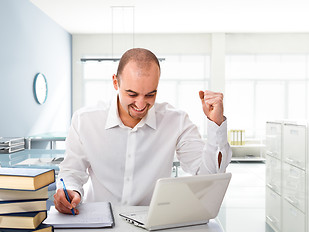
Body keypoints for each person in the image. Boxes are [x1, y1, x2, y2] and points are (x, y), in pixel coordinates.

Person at [54, 48, 232, 215]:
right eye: (132, 94)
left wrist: (215, 123)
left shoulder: (176, 121)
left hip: (152, 225)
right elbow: (71, 172)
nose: (140, 105)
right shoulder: (85, 120)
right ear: (116, 82)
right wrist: (70, 190)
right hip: (100, 224)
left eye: (150, 95)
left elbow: (208, 176)